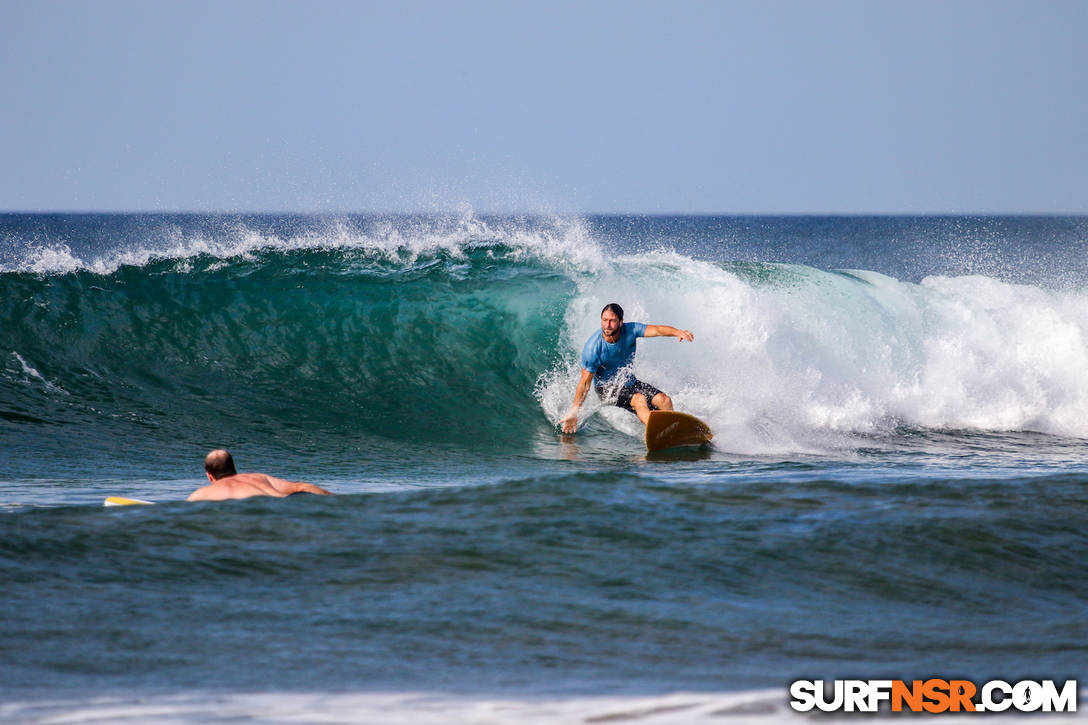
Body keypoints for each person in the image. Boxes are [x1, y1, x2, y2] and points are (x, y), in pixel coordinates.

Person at [560, 303, 694, 434]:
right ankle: (657, 432)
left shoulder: (631, 330)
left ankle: (672, 432)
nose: (607, 325)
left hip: (629, 382)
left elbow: (657, 330)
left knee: (664, 400)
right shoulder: (593, 348)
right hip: (606, 389)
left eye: (612, 321)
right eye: (604, 320)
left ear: (620, 322)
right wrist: (574, 411)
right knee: (639, 399)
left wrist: (677, 332)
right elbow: (584, 383)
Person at [187, 449, 333, 501]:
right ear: (235, 467)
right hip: (281, 505)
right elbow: (301, 487)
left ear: (209, 475)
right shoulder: (259, 478)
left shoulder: (201, 494)